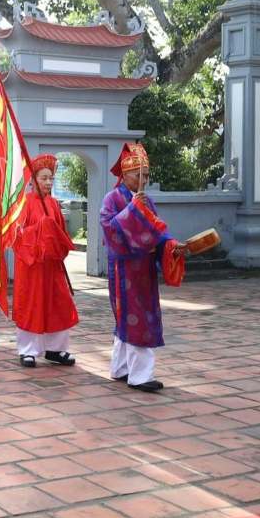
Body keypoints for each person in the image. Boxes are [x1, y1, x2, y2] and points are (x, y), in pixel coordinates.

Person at [101, 142, 186, 393]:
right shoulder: (112, 199)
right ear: (125, 174)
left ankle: (120, 368)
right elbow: (109, 229)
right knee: (135, 320)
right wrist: (132, 209)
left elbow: (158, 231)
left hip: (145, 269)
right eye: (139, 175)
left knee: (133, 319)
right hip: (124, 270)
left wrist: (171, 245)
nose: (143, 180)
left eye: (146, 175)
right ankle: (140, 376)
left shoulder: (147, 201)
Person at [12, 154, 80, 368]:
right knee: (31, 303)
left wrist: (54, 236)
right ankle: (28, 350)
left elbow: (62, 234)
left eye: (51, 178)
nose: (49, 182)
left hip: (52, 264)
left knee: (57, 303)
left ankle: (55, 349)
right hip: (31, 264)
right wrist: (40, 229)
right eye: (44, 178)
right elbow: (16, 235)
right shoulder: (23, 203)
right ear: (33, 179)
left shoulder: (53, 203)